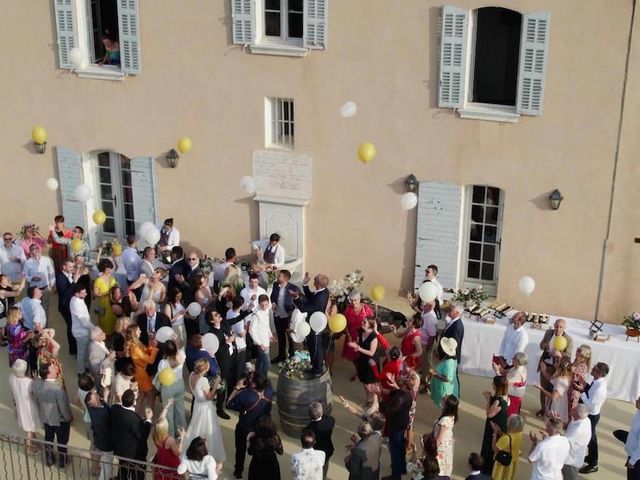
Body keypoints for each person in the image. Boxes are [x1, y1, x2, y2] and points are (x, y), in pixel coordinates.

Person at [227, 373, 274, 479]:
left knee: (240, 449)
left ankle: (238, 471)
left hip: (245, 427)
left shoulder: (247, 395)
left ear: (253, 384)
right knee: (259, 450)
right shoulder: (269, 390)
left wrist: (237, 388)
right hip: (262, 427)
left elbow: (229, 403)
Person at [182, 358, 226, 464]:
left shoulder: (192, 374)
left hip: (197, 403)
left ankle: (194, 447)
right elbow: (209, 397)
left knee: (196, 425)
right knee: (208, 428)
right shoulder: (203, 380)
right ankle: (205, 450)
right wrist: (216, 385)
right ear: (205, 369)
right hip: (205, 407)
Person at [32, 362, 72, 468]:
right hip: (60, 420)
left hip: (46, 417)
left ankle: (49, 459)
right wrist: (68, 418)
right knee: (62, 441)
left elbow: (35, 400)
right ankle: (62, 461)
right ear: (48, 374)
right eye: (53, 369)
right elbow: (64, 408)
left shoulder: (37, 384)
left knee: (48, 438)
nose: (56, 369)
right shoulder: (58, 390)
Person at [573, 362, 609, 474]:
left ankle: (594, 463)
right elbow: (591, 391)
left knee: (591, 439)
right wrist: (584, 386)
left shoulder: (599, 389)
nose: (592, 369)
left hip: (591, 415)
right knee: (591, 438)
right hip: (591, 413)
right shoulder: (597, 382)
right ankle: (591, 457)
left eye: (594, 369)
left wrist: (582, 392)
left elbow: (590, 405)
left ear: (600, 373)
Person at [292, 273, 330, 376]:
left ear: (318, 284)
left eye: (314, 281)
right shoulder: (323, 291)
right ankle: (315, 366)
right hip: (314, 322)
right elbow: (311, 297)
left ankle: (317, 370)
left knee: (316, 348)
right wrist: (304, 285)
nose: (313, 282)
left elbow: (304, 308)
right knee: (313, 346)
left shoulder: (320, 298)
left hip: (316, 326)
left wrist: (296, 298)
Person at [111, 389, 153, 480]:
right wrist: (148, 420)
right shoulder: (135, 420)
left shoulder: (114, 409)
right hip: (135, 454)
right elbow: (143, 435)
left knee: (123, 471)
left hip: (121, 450)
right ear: (134, 402)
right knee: (137, 475)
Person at [536, 319, 573, 417]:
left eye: (560, 327)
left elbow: (568, 356)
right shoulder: (548, 332)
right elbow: (541, 345)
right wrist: (544, 345)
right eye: (556, 326)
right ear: (554, 325)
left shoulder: (568, 339)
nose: (558, 329)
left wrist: (559, 354)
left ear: (564, 328)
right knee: (543, 388)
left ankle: (551, 411)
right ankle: (543, 409)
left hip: (556, 368)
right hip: (545, 363)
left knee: (553, 390)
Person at [380, 377, 414, 480]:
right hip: (403, 422)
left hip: (396, 425)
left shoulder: (400, 398)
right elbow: (395, 392)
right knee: (401, 446)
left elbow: (388, 409)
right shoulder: (408, 393)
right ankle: (402, 467)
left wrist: (380, 398)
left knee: (395, 451)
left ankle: (396, 476)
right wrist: (385, 390)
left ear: (404, 386)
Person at [154, 339, 187, 437]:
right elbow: (180, 347)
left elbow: (160, 376)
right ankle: (181, 432)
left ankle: (170, 434)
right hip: (180, 385)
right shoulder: (181, 357)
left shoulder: (163, 363)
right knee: (180, 409)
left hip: (168, 387)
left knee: (168, 410)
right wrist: (176, 341)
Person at [125, 324, 159, 414]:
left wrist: (151, 344)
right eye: (138, 330)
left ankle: (137, 413)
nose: (140, 331)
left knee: (142, 394)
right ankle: (149, 416)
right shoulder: (135, 347)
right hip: (141, 374)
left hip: (141, 371)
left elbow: (145, 352)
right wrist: (155, 348)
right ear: (134, 333)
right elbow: (150, 360)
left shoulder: (136, 343)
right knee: (151, 394)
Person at [8, 359, 41, 452]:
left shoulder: (11, 378)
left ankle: (33, 438)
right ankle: (29, 447)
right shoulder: (29, 382)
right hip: (29, 406)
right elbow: (35, 392)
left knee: (27, 425)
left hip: (19, 405)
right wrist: (36, 380)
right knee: (30, 427)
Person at [480, 376, 509, 474]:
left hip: (494, 427)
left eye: (493, 383)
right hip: (497, 424)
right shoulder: (504, 396)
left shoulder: (498, 401)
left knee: (489, 447)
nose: (492, 384)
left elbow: (489, 414)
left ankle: (486, 469)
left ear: (497, 386)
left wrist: (488, 400)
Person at [348, 318, 379, 408]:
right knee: (365, 383)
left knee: (372, 385)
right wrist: (354, 344)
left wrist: (358, 348)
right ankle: (369, 400)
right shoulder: (361, 331)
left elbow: (371, 352)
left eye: (365, 322)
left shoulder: (374, 337)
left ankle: (375, 403)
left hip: (371, 363)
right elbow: (358, 342)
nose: (362, 322)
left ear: (370, 325)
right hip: (363, 360)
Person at [270, 269, 300, 363]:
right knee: (280, 337)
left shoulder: (294, 288)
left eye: (280, 276)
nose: (277, 277)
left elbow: (298, 303)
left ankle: (292, 357)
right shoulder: (275, 285)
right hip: (278, 316)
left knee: (290, 338)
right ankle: (281, 356)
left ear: (286, 278)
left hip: (288, 318)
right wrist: (273, 303)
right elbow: (272, 297)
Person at [86, 390, 115, 480]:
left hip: (99, 439)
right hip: (107, 443)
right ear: (94, 401)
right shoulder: (101, 415)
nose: (97, 394)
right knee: (107, 464)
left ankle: (95, 468)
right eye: (95, 395)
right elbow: (110, 422)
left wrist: (104, 398)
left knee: (99, 453)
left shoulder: (93, 407)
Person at [152, 401, 184, 480]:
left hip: (162, 462)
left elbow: (161, 418)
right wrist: (182, 438)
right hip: (171, 466)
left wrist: (167, 405)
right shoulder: (170, 440)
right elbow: (178, 453)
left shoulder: (155, 436)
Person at [247, 415, 284, 480]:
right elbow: (280, 452)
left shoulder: (254, 438)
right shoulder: (275, 438)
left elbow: (250, 452)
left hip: (256, 464)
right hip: (271, 464)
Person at [305, 402, 335, 479]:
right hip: (327, 449)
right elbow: (327, 417)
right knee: (325, 463)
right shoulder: (330, 421)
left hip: (315, 452)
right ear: (321, 413)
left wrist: (313, 410)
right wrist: (319, 412)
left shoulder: (308, 429)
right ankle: (324, 477)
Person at [561, 404, 591, 480]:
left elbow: (564, 440)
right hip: (572, 455)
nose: (572, 408)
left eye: (574, 409)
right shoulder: (585, 419)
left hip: (571, 460)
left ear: (578, 414)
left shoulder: (578, 429)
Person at [431, 394, 458, 476]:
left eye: (443, 400)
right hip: (447, 445)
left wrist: (429, 448)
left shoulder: (444, 420)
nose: (441, 400)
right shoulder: (452, 415)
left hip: (441, 448)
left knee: (439, 468)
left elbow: (439, 439)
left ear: (447, 406)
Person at [493, 352, 527, 417]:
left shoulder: (517, 373)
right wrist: (497, 365)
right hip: (513, 393)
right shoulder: (519, 367)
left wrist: (496, 371)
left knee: (509, 414)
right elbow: (504, 371)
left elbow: (503, 383)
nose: (512, 358)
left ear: (518, 361)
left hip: (513, 396)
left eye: (514, 358)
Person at [490, 414, 524, 480]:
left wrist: (495, 433)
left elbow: (494, 448)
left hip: (503, 465)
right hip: (513, 462)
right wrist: (499, 431)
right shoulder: (520, 433)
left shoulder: (505, 439)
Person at [23, 244, 55, 312]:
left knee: (45, 307)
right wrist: (32, 278)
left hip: (45, 288)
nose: (35, 250)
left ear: (39, 249)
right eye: (32, 249)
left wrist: (51, 285)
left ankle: (44, 322)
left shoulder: (46, 260)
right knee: (35, 308)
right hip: (34, 290)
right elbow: (24, 275)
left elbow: (51, 273)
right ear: (30, 252)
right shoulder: (28, 262)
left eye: (36, 248)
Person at [428, 338, 459, 409]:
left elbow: (447, 378)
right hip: (445, 387)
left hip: (444, 389)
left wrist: (434, 374)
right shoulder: (450, 358)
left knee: (444, 406)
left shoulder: (448, 363)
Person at [249, 294, 274, 377]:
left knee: (260, 361)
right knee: (266, 364)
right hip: (261, 343)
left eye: (266, 304)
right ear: (259, 303)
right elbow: (251, 330)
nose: (264, 306)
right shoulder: (256, 314)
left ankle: (257, 377)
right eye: (262, 305)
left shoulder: (266, 310)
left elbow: (266, 325)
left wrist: (270, 335)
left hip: (266, 340)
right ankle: (263, 380)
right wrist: (258, 343)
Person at [70, 284, 94, 374]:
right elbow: (83, 321)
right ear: (76, 294)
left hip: (84, 331)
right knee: (81, 353)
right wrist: (94, 328)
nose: (86, 294)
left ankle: (86, 366)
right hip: (81, 333)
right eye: (83, 293)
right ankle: (81, 371)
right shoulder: (76, 303)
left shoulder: (78, 299)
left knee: (86, 351)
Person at [55, 258, 76, 354]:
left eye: (73, 266)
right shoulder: (60, 277)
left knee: (72, 325)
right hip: (65, 306)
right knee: (70, 326)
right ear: (64, 267)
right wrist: (74, 282)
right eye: (70, 266)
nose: (72, 268)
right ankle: (72, 349)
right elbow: (64, 292)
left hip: (70, 304)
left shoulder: (70, 274)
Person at [87, 326, 115, 398]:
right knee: (105, 394)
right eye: (101, 333)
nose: (104, 333)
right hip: (104, 379)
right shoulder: (93, 351)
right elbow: (96, 369)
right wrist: (109, 358)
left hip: (109, 374)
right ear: (96, 338)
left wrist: (108, 354)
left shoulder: (100, 343)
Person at [418, 300, 438, 391]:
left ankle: (428, 383)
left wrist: (427, 347)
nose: (423, 304)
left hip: (427, 344)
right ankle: (423, 378)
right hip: (422, 342)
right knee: (424, 362)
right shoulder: (425, 312)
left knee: (428, 364)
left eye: (424, 304)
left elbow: (432, 335)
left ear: (430, 306)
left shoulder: (431, 318)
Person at [94, 258, 118, 335]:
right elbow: (95, 294)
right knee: (103, 320)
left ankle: (112, 332)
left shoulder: (112, 278)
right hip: (102, 303)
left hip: (112, 302)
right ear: (103, 269)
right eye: (108, 270)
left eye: (110, 269)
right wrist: (106, 293)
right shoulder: (98, 280)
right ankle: (104, 335)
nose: (110, 271)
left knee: (112, 318)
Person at [569, 345, 591, 412]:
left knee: (571, 411)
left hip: (574, 391)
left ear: (583, 354)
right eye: (577, 349)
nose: (576, 351)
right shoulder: (576, 360)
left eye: (578, 350)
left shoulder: (583, 366)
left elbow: (571, 371)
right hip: (569, 388)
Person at [625, 395, 640, 480]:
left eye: (638, 401)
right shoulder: (638, 412)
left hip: (637, 458)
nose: (636, 401)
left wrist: (633, 461)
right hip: (632, 453)